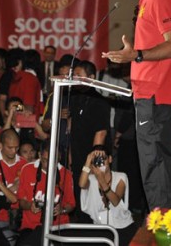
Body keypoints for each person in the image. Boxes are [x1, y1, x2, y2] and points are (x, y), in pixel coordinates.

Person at [102, 0, 171, 211]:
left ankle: (165, 227)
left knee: (153, 163)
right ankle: (170, 224)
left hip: (156, 92)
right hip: (149, 92)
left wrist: (136, 55)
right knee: (156, 161)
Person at [69, 60, 110, 222]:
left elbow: (101, 133)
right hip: (77, 153)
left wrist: (92, 163)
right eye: (74, 75)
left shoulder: (100, 101)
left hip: (91, 158)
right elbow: (71, 127)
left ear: (92, 77)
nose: (75, 78)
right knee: (78, 194)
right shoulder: (75, 97)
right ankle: (80, 226)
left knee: (91, 193)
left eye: (79, 75)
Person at [16, 141, 75, 246]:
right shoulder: (27, 170)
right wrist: (31, 205)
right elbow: (21, 202)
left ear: (59, 157)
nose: (49, 165)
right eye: (45, 160)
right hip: (31, 227)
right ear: (39, 155)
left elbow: (71, 204)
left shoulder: (66, 174)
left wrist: (62, 209)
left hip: (58, 227)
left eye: (54, 160)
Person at [79, 145, 137, 246]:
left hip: (122, 227)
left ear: (110, 159)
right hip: (100, 228)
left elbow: (115, 201)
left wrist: (102, 180)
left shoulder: (121, 176)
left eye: (103, 159)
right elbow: (81, 184)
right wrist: (88, 161)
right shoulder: (91, 179)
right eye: (96, 159)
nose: (100, 162)